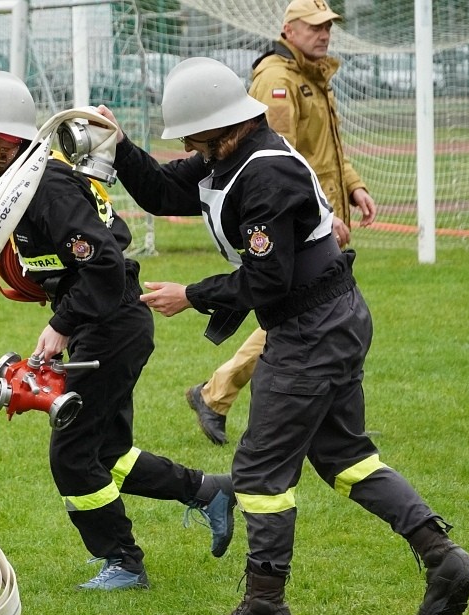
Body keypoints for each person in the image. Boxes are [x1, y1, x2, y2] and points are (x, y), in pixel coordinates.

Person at [99, 57, 469, 615]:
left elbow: (267, 280)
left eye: (192, 136)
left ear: (219, 128)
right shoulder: (227, 157)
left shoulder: (265, 172)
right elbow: (158, 191)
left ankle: (264, 611)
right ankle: (443, 557)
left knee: (256, 473)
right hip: (324, 321)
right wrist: (120, 145)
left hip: (312, 328)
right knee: (344, 456)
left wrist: (192, 294)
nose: (187, 147)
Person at [0, 71, 236, 591]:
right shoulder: (26, 180)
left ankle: (123, 561)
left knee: (73, 454)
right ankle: (208, 490)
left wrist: (61, 325)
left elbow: (103, 264)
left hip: (112, 325)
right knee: (108, 453)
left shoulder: (47, 187)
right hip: (102, 321)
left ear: (5, 138)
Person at [185, 0, 377, 446]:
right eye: (313, 26)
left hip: (320, 212)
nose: (323, 33)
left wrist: (353, 186)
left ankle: (224, 396)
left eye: (328, 25)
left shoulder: (314, 75)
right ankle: (216, 394)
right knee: (305, 313)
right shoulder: (277, 79)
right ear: (288, 29)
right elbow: (280, 161)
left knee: (314, 313)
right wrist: (322, 215)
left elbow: (327, 147)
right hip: (305, 219)